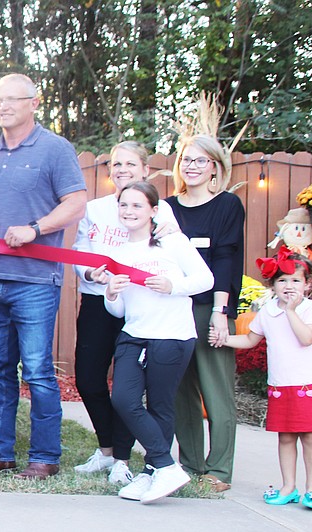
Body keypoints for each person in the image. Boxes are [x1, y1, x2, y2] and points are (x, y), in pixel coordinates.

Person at [0, 74, 87, 480]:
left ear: (35, 102)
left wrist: (36, 227)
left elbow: (77, 203)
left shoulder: (54, 149)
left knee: (37, 371)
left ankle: (45, 458)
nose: (4, 106)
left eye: (14, 99)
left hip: (34, 280)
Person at [90, 181, 213, 503]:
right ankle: (166, 466)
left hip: (171, 336)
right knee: (124, 399)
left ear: (153, 211)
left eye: (137, 206)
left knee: (160, 406)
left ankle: (150, 473)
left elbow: (205, 280)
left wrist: (172, 285)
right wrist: (112, 292)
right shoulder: (117, 253)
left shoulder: (173, 243)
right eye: (124, 205)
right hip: (134, 334)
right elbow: (117, 309)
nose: (129, 212)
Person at [71, 141, 178, 484]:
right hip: (98, 302)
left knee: (128, 388)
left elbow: (170, 256)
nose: (122, 170)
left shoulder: (160, 211)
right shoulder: (95, 208)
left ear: (145, 170)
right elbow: (79, 250)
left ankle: (121, 458)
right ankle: (105, 449)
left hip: (141, 307)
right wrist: (91, 273)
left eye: (130, 164)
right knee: (88, 379)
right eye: (116, 164)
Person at [213, 249, 312, 510]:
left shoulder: (311, 309)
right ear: (272, 285)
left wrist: (291, 311)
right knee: (285, 438)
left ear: (308, 284)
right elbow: (250, 339)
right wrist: (224, 339)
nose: (289, 286)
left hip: (309, 385)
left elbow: (306, 338)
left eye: (295, 280)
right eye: (282, 281)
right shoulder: (268, 311)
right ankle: (288, 486)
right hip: (281, 386)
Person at [167, 134, 245, 492]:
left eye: (201, 160)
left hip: (209, 308)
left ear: (215, 166)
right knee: (180, 392)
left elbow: (226, 259)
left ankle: (219, 470)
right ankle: (191, 464)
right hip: (172, 310)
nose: (192, 166)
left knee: (216, 391)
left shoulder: (227, 206)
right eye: (187, 159)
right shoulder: (167, 207)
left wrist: (220, 311)